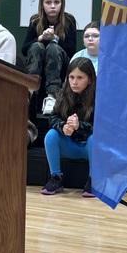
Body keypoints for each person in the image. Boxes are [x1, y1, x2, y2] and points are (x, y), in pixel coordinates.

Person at [41, 57, 96, 197]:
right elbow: (53, 117)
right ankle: (56, 177)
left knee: (94, 139)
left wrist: (80, 126)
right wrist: (63, 126)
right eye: (71, 77)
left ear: (90, 79)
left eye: (80, 77)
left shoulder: (99, 97)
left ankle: (94, 180)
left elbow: (105, 129)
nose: (74, 82)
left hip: (91, 148)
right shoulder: (63, 93)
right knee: (51, 135)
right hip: (71, 145)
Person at [22, 0, 77, 114]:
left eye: (56, 2)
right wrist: (40, 37)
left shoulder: (69, 20)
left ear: (62, 4)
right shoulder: (35, 20)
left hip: (60, 65)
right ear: (42, 5)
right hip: (38, 65)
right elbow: (24, 50)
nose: (53, 6)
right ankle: (29, 92)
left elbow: (72, 50)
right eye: (48, 2)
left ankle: (51, 96)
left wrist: (55, 38)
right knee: (37, 46)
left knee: (53, 47)